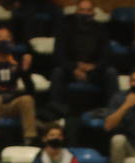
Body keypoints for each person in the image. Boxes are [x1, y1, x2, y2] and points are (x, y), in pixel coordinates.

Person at [50, 0, 117, 130]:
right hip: (70, 70)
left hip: (95, 71)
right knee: (57, 72)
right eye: (82, 10)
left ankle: (113, 113)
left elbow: (107, 56)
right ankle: (55, 113)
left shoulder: (101, 29)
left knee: (111, 72)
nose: (85, 13)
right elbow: (58, 55)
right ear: (76, 12)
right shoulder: (65, 28)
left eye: (88, 10)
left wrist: (93, 68)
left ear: (93, 13)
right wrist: (74, 67)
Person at [0, 27, 38, 156]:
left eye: (7, 37)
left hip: (9, 104)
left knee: (27, 100)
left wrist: (25, 72)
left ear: (12, 43)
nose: (3, 40)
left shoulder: (16, 61)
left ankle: (30, 140)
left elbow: (31, 90)